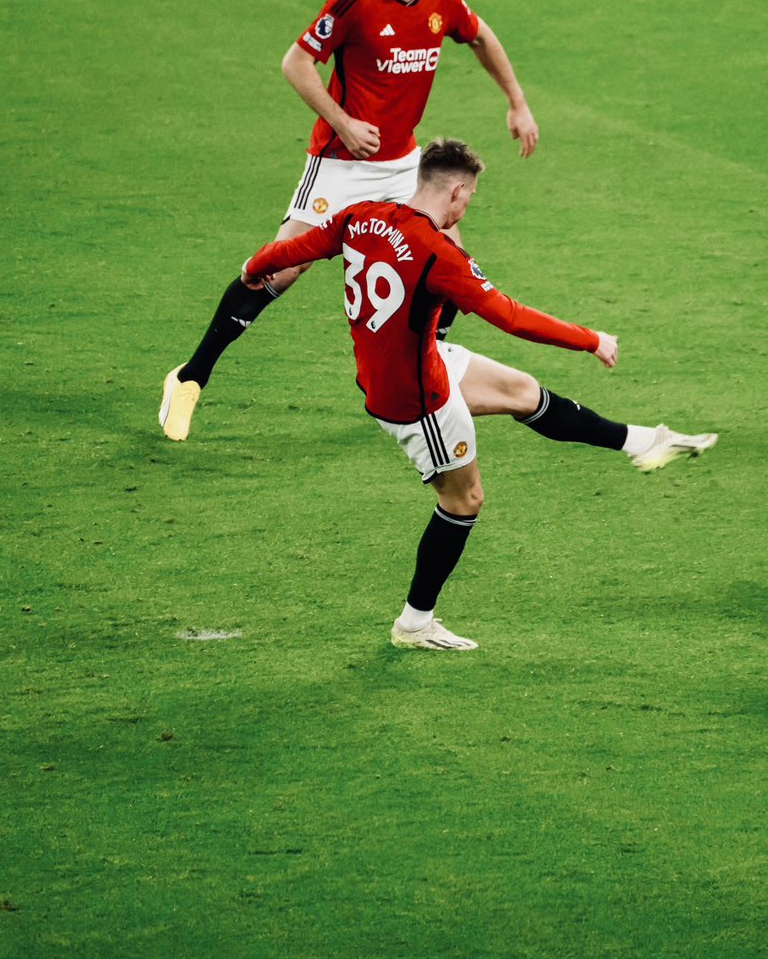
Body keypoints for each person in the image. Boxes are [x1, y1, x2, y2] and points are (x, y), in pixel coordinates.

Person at [239, 138, 715, 651]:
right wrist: (591, 339)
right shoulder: (437, 253)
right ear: (457, 191)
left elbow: (295, 249)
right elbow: (510, 316)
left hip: (413, 362)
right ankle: (415, 623)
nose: (468, 208)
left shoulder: (360, 215)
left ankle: (646, 442)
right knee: (464, 499)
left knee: (521, 391)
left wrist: (252, 268)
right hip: (415, 398)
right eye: (470, 199)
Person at [161, 0, 541, 441]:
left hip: (405, 166)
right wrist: (342, 123)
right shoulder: (356, 4)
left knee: (452, 269)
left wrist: (517, 101)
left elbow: (480, 35)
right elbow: (296, 62)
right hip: (342, 164)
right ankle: (190, 377)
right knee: (279, 270)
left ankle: (429, 379)